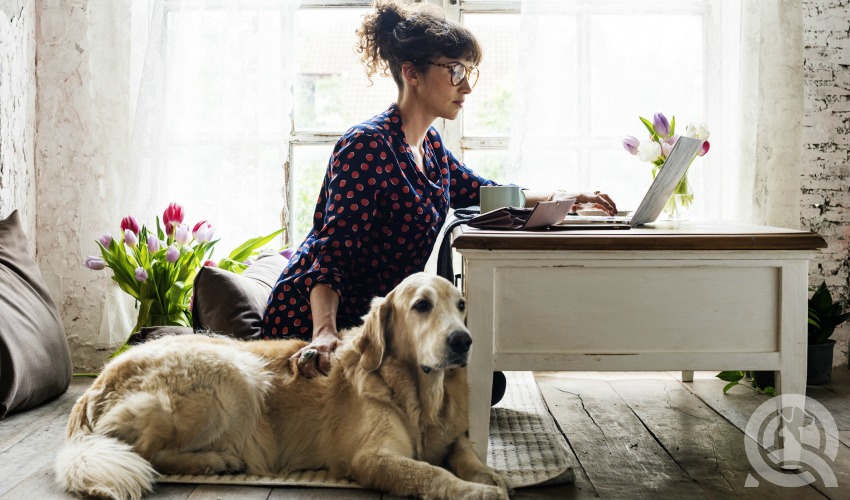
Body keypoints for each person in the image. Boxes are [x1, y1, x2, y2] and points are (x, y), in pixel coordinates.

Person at [262, 0, 617, 379]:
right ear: (412, 73)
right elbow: (332, 253)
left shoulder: (430, 147)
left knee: (482, 378)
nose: (466, 85)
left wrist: (567, 198)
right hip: (313, 322)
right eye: (455, 70)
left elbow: (486, 191)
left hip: (383, 325)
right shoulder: (366, 146)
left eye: (469, 72)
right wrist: (324, 334)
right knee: (474, 381)